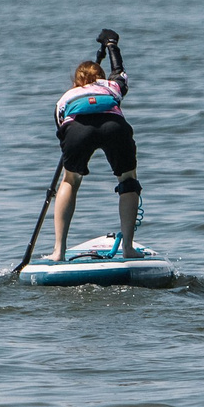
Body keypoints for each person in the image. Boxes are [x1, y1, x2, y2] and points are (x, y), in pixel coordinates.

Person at [46, 30, 141, 261]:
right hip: (114, 125)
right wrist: (111, 44)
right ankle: (128, 248)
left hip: (77, 129)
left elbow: (61, 128)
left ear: (76, 81)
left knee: (70, 180)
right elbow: (119, 71)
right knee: (128, 180)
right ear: (102, 78)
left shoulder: (66, 97)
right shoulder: (112, 86)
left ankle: (58, 251)